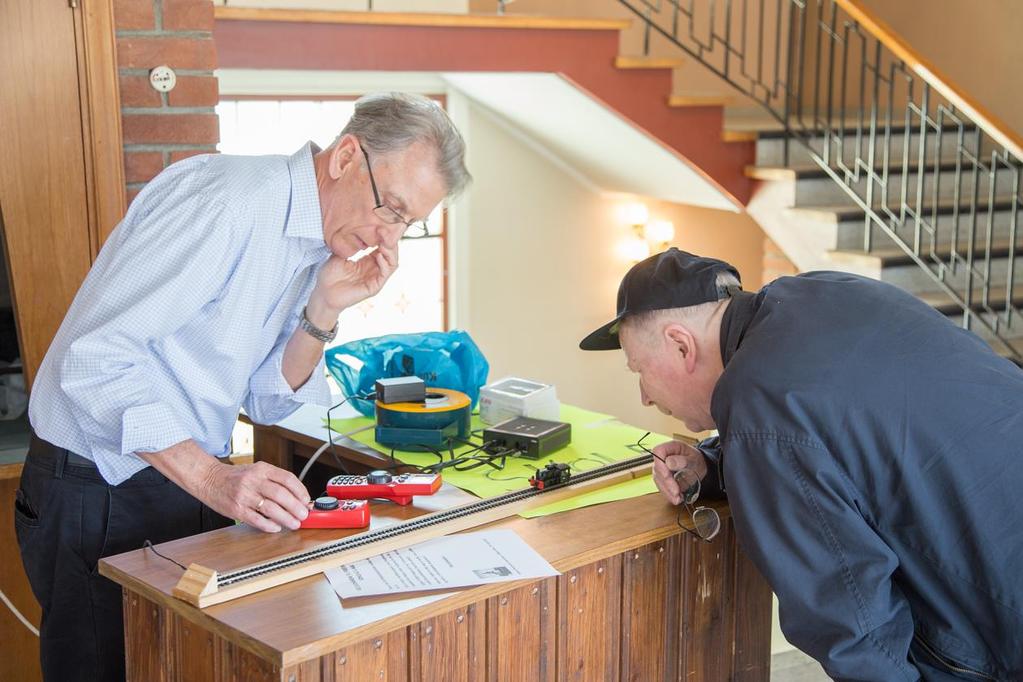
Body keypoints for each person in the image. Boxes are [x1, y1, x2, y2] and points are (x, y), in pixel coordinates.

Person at [15, 92, 470, 682]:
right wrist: (215, 479)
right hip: (97, 481)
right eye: (392, 210)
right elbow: (94, 361)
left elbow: (265, 396)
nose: (389, 239)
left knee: (178, 663)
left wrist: (324, 308)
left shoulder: (316, 242)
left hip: (182, 472)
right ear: (346, 157)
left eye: (408, 224)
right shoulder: (226, 203)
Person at [580, 247, 1023, 681]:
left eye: (638, 369)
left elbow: (854, 625)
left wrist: (747, 448)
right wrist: (714, 463)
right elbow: (835, 431)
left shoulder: (760, 408)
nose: (644, 395)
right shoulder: (823, 290)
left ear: (681, 345)